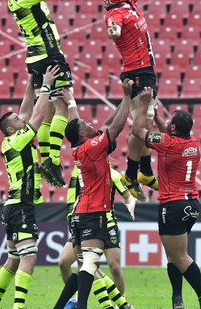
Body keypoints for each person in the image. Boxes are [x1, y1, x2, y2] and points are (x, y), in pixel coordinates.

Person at [131, 87, 201, 309]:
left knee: (179, 257)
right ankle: (177, 299)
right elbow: (168, 134)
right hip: (191, 204)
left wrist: (144, 106)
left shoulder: (168, 144)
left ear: (173, 128)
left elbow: (137, 130)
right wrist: (159, 115)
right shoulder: (193, 143)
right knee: (174, 255)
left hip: (173, 204)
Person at [0, 0, 73, 187]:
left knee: (49, 109)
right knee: (62, 104)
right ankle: (51, 159)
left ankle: (50, 160)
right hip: (49, 56)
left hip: (37, 59)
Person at [0, 65, 60, 309]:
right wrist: (46, 85)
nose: (22, 118)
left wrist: (30, 81)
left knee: (13, 259)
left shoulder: (13, 138)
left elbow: (27, 110)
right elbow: (37, 117)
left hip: (13, 206)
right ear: (10, 129)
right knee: (29, 257)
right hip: (20, 206)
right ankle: (19, 307)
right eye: (17, 120)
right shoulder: (17, 140)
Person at [58, 78, 134, 309]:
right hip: (94, 212)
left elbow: (105, 124)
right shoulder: (91, 148)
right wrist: (128, 96)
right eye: (86, 124)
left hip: (80, 213)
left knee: (85, 266)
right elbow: (117, 127)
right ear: (82, 133)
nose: (92, 125)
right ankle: (88, 306)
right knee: (90, 263)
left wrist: (72, 103)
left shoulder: (81, 147)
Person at [100, 0, 159, 202]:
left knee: (143, 122)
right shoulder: (116, 14)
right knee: (141, 126)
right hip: (138, 72)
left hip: (145, 70)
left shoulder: (128, 2)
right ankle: (132, 174)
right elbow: (114, 29)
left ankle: (143, 172)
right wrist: (113, 32)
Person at [59, 165, 136, 309]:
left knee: (114, 268)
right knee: (69, 263)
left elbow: (128, 196)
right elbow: (71, 195)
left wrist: (131, 203)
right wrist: (71, 217)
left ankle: (120, 303)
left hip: (107, 225)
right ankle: (116, 304)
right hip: (84, 222)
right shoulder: (80, 171)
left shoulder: (113, 175)